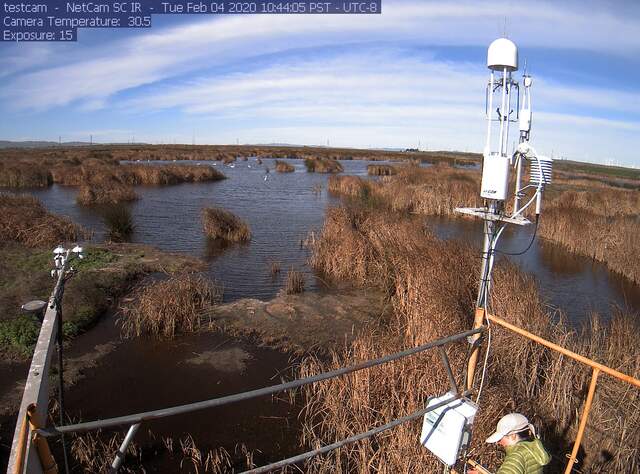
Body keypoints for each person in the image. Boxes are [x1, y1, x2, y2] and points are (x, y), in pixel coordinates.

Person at [468, 413, 551, 474]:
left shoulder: (517, 455)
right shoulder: (531, 450)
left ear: (513, 436)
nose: (498, 442)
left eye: (500, 439)